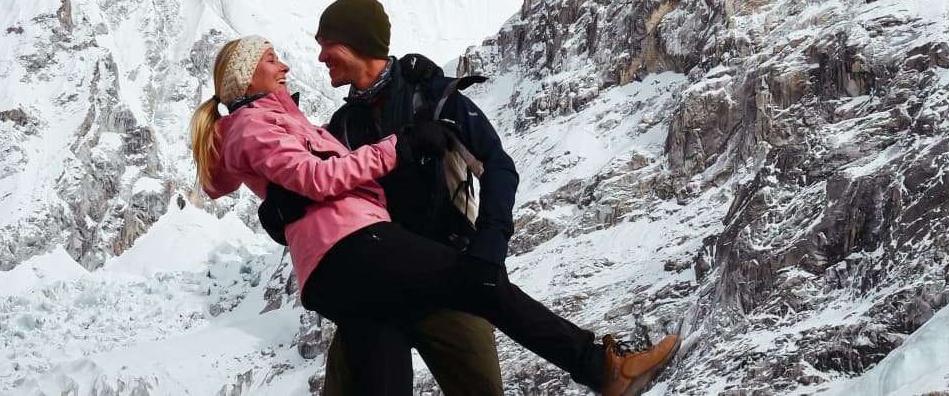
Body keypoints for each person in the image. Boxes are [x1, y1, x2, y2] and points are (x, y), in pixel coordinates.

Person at [189, 35, 679, 396]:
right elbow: (320, 179)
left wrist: (414, 115)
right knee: (479, 282)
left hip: (344, 270)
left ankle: (602, 368)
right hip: (355, 250)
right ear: (245, 76)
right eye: (272, 59)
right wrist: (401, 146)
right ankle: (600, 367)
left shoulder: (287, 120)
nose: (290, 65)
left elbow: (322, 180)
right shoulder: (255, 124)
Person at [309, 0, 515, 396]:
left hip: (450, 278)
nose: (320, 58)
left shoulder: (436, 100)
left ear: (355, 45)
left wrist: (488, 251)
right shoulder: (344, 125)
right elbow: (313, 187)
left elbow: (497, 166)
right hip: (374, 291)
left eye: (326, 46)